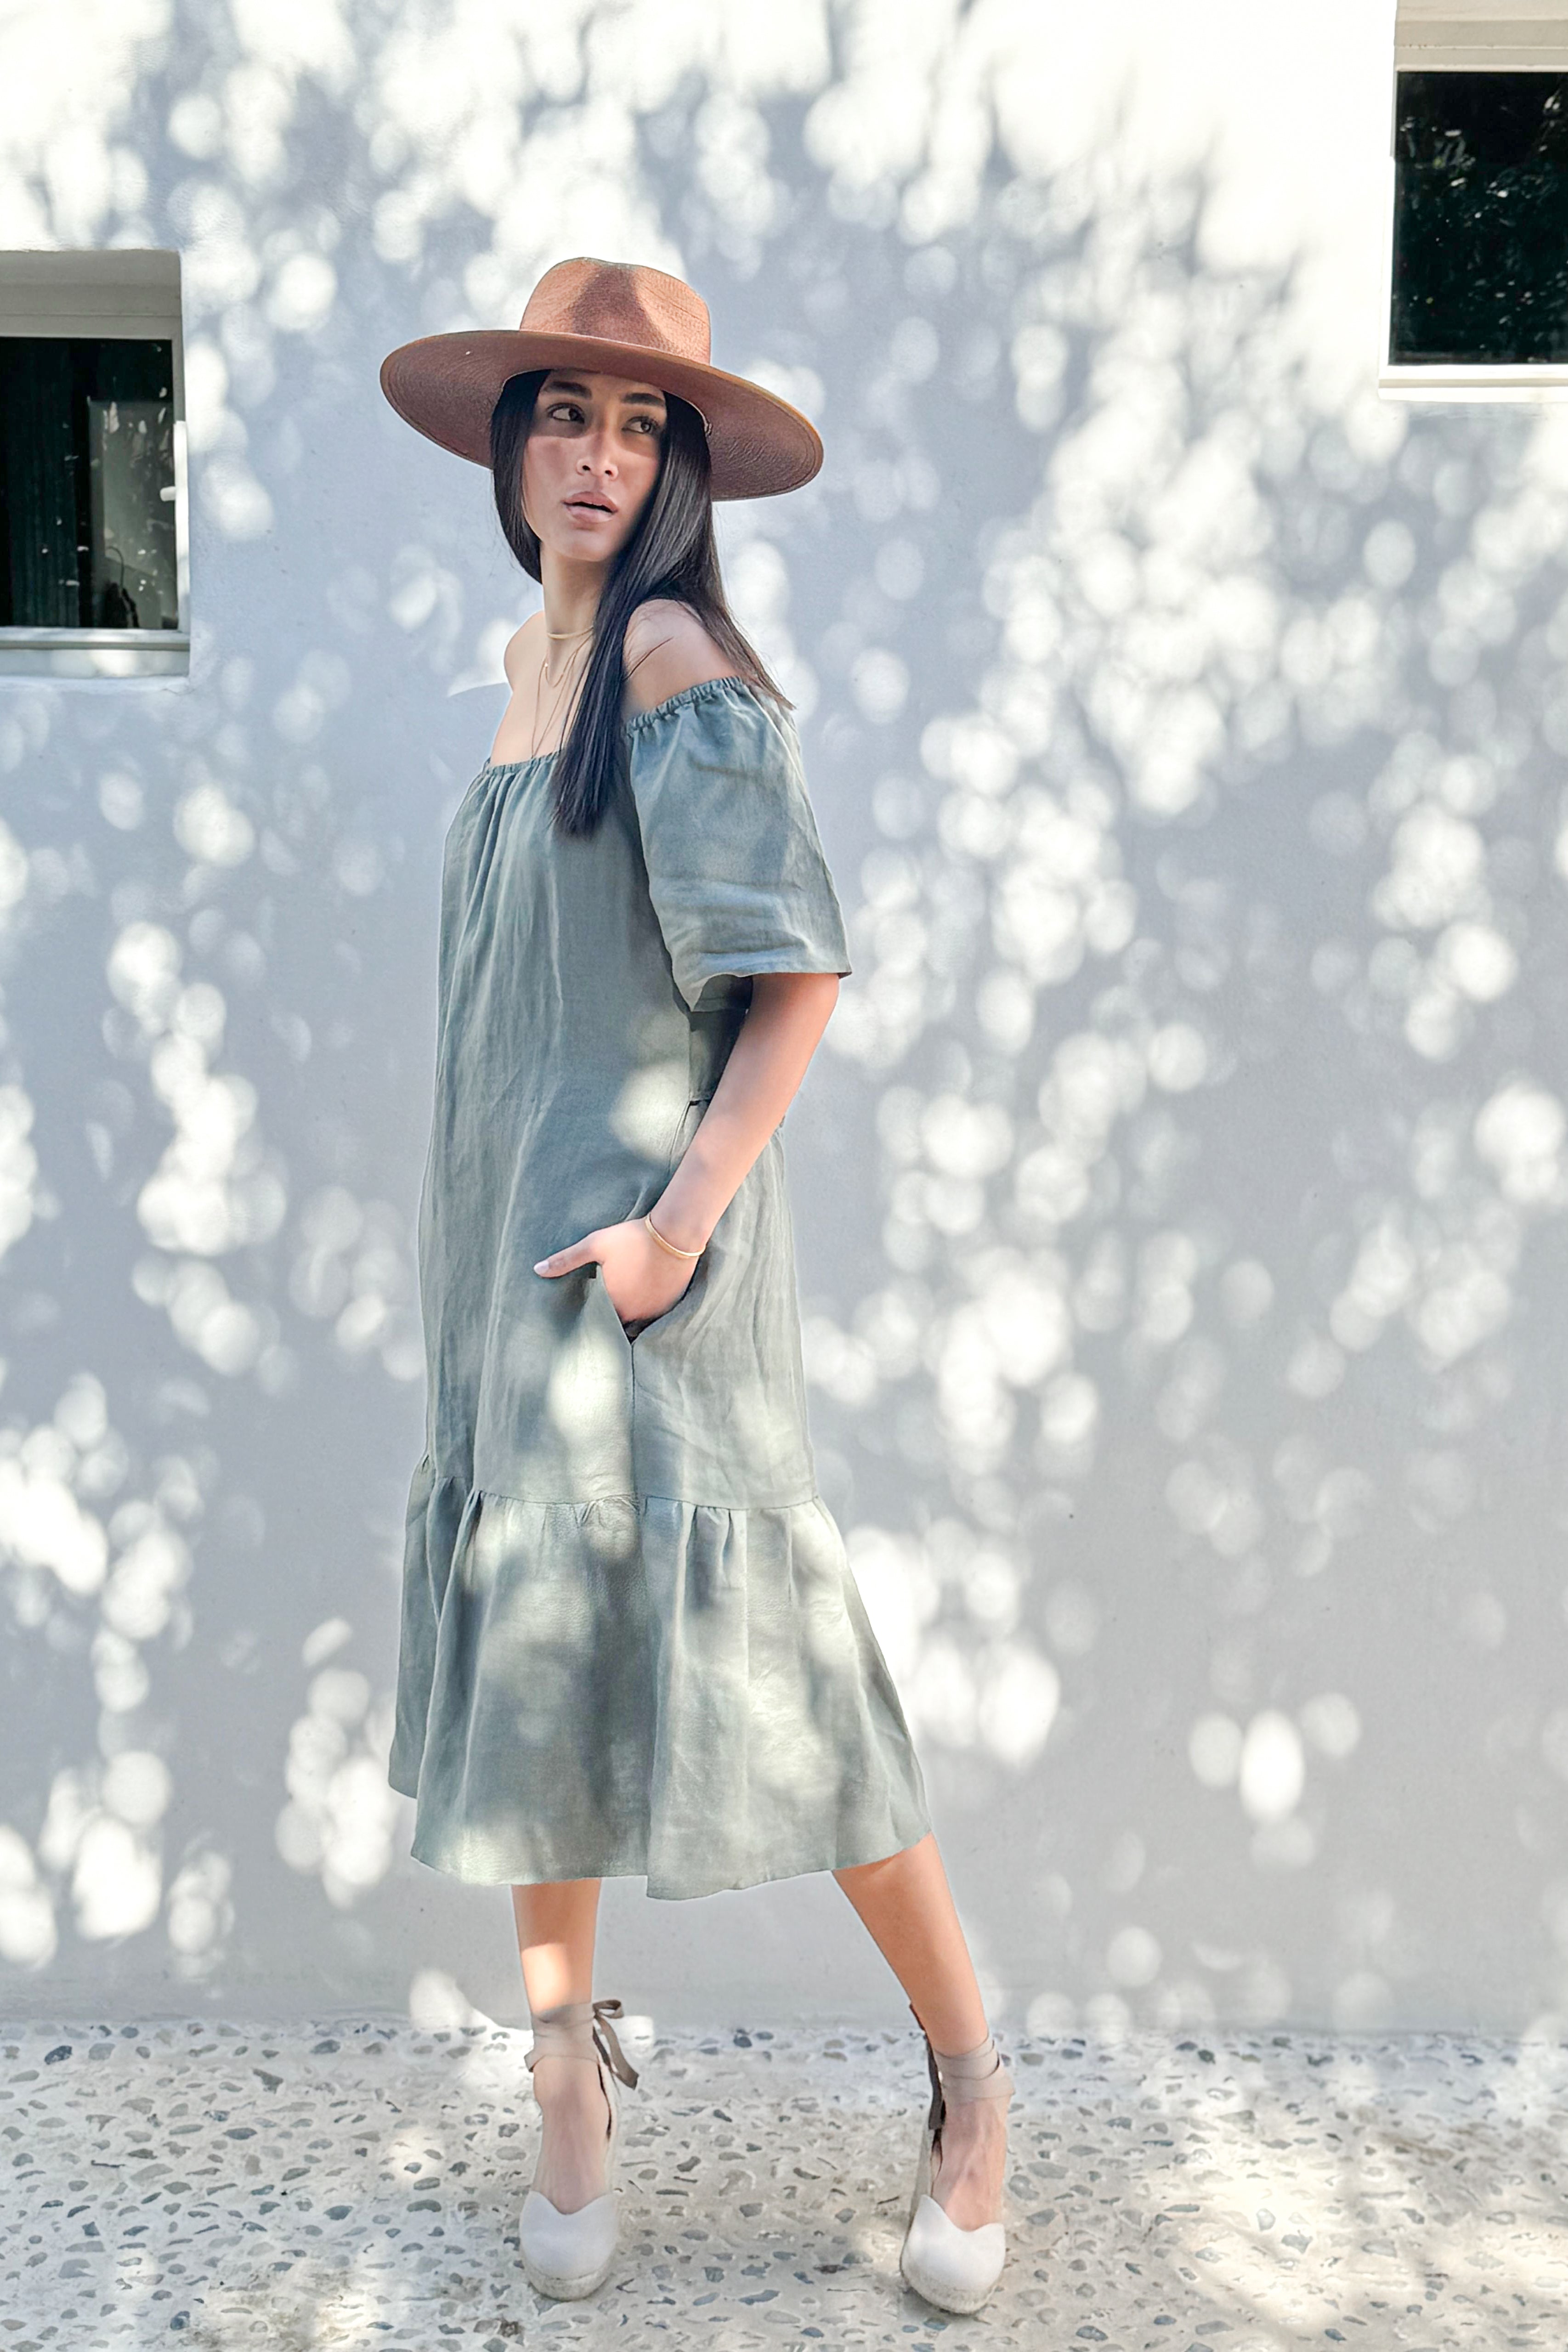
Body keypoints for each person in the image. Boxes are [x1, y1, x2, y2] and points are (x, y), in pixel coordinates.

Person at [378, 257, 1013, 2317]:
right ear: (510, 443)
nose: (598, 453)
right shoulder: (529, 660)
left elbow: (795, 974)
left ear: (680, 473)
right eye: (565, 412)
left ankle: (971, 2080)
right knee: (537, 1683)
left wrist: (676, 1229)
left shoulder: (670, 658)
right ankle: (567, 2080)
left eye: (640, 425)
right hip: (511, 1270)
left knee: (794, 1689)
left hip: (654, 1275)